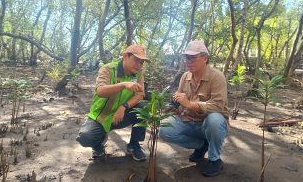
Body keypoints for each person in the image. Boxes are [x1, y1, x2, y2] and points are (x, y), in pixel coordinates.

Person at [159, 40, 229, 177]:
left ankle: (215, 160)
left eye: (192, 57)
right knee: (164, 129)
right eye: (186, 57)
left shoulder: (217, 77)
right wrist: (173, 105)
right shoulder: (185, 76)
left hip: (208, 124)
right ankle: (201, 145)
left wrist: (191, 104)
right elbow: (180, 100)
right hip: (188, 121)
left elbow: (218, 105)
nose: (188, 61)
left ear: (204, 58)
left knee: (215, 119)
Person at [76, 44, 149, 161]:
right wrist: (123, 84)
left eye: (142, 62)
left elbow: (140, 95)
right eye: (136, 60)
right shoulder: (108, 69)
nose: (139, 65)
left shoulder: (139, 74)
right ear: (125, 56)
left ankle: (134, 145)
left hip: (122, 115)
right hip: (101, 117)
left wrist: (123, 107)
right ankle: (98, 144)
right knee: (86, 138)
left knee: (143, 107)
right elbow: (100, 91)